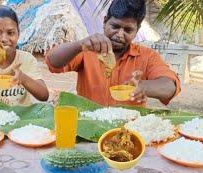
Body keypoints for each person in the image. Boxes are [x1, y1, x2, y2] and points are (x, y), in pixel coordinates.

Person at [46, 0, 180, 107]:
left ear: (137, 30)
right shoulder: (87, 50)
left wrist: (142, 86)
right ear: (104, 22)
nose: (120, 35)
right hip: (90, 126)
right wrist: (79, 45)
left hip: (128, 132)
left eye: (128, 30)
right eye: (115, 26)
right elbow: (53, 62)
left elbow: (170, 87)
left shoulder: (147, 56)